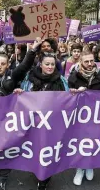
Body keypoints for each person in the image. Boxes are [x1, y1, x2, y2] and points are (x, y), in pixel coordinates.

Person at [0, 39, 42, 190]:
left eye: (3, 64)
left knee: (6, 149)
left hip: (8, 121)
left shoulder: (12, 78)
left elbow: (24, 67)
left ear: (7, 65)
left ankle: (2, 178)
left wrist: (32, 50)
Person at [18, 51, 69, 190]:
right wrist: (21, 94)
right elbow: (24, 96)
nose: (50, 67)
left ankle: (44, 179)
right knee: (36, 149)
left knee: (48, 151)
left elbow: (67, 100)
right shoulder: (30, 78)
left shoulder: (61, 80)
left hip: (52, 123)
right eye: (47, 64)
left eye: (53, 64)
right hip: (34, 122)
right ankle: (38, 171)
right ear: (41, 64)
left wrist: (74, 94)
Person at [68, 50, 100, 186]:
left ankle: (89, 165)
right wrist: (74, 93)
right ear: (81, 62)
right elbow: (68, 96)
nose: (90, 64)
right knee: (81, 142)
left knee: (93, 141)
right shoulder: (74, 76)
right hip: (80, 115)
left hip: (96, 114)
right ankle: (80, 168)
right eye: (86, 61)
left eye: (92, 61)